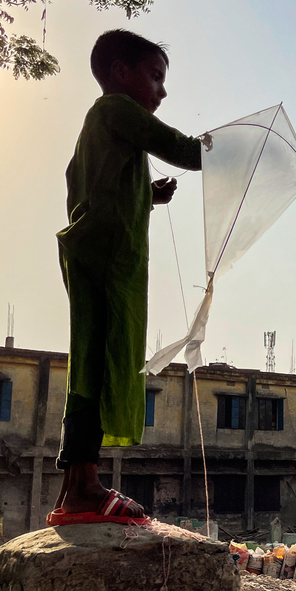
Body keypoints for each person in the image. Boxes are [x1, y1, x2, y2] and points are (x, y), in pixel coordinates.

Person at [48, 29, 204, 526]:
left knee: (91, 364)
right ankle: (84, 487)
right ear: (120, 72)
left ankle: (75, 486)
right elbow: (181, 147)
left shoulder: (99, 127)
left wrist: (147, 194)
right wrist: (235, 151)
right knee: (100, 362)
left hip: (96, 254)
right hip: (106, 259)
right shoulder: (116, 109)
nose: (162, 91)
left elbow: (96, 186)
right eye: (155, 76)